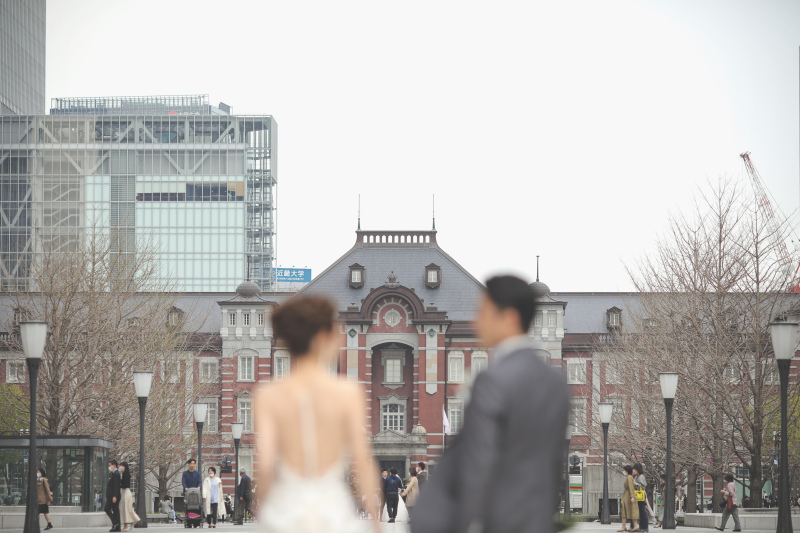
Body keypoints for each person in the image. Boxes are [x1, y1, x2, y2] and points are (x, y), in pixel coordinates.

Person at [413, 275, 570, 533]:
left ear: (508, 319)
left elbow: (477, 465)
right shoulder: (555, 382)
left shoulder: (493, 380)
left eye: (484, 313)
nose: (477, 321)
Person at [252, 296, 379, 532]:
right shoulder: (348, 392)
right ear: (322, 338)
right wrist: (375, 521)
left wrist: (263, 510)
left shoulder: (268, 395)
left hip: (285, 512)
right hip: (333, 512)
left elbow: (266, 464)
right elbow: (362, 461)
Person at [118, 462, 140, 531]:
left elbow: (125, 485)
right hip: (125, 492)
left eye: (121, 466)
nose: (120, 467)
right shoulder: (124, 474)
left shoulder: (125, 475)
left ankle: (130, 523)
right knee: (125, 509)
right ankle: (130, 522)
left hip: (126, 493)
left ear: (124, 466)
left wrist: (117, 485)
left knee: (126, 509)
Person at [619, 465, 639, 533]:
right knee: (628, 511)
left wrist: (632, 497)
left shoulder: (629, 478)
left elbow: (631, 487)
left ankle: (626, 526)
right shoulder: (630, 477)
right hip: (627, 496)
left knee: (629, 511)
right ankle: (626, 526)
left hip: (628, 497)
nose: (624, 471)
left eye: (624, 470)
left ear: (626, 471)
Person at [105, 459, 121, 532]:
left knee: (107, 508)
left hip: (113, 496)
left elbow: (116, 486)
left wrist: (114, 496)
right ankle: (117, 525)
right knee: (115, 510)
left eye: (110, 465)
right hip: (111, 496)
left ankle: (115, 523)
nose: (109, 467)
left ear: (114, 465)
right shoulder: (114, 473)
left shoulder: (116, 474)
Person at [633, 463, 649, 532]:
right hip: (638, 495)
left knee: (642, 511)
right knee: (640, 511)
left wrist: (636, 484)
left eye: (634, 469)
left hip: (640, 495)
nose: (634, 471)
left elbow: (643, 486)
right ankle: (642, 526)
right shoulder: (637, 476)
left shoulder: (641, 477)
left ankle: (645, 527)